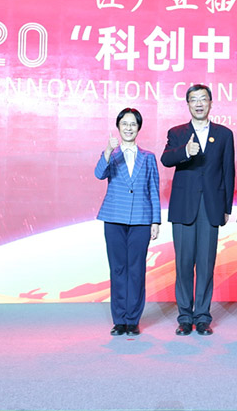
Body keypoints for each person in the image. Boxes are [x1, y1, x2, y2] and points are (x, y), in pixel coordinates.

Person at [160, 84, 235, 336]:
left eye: (203, 99)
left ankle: (202, 317)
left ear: (211, 103)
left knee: (205, 264)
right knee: (183, 264)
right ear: (188, 104)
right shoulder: (177, 132)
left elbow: (228, 171)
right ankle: (184, 317)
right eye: (194, 99)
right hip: (183, 207)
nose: (199, 103)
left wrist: (226, 207)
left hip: (211, 207)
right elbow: (166, 159)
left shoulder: (224, 134)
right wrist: (185, 152)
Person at [94, 108, 161, 337]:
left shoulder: (148, 157)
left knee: (136, 270)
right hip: (114, 218)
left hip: (141, 220)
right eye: (125, 124)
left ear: (138, 128)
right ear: (118, 127)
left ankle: (132, 320)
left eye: (133, 124)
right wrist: (107, 151)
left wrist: (155, 221)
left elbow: (153, 189)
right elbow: (99, 174)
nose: (129, 128)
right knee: (118, 269)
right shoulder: (111, 154)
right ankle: (119, 320)